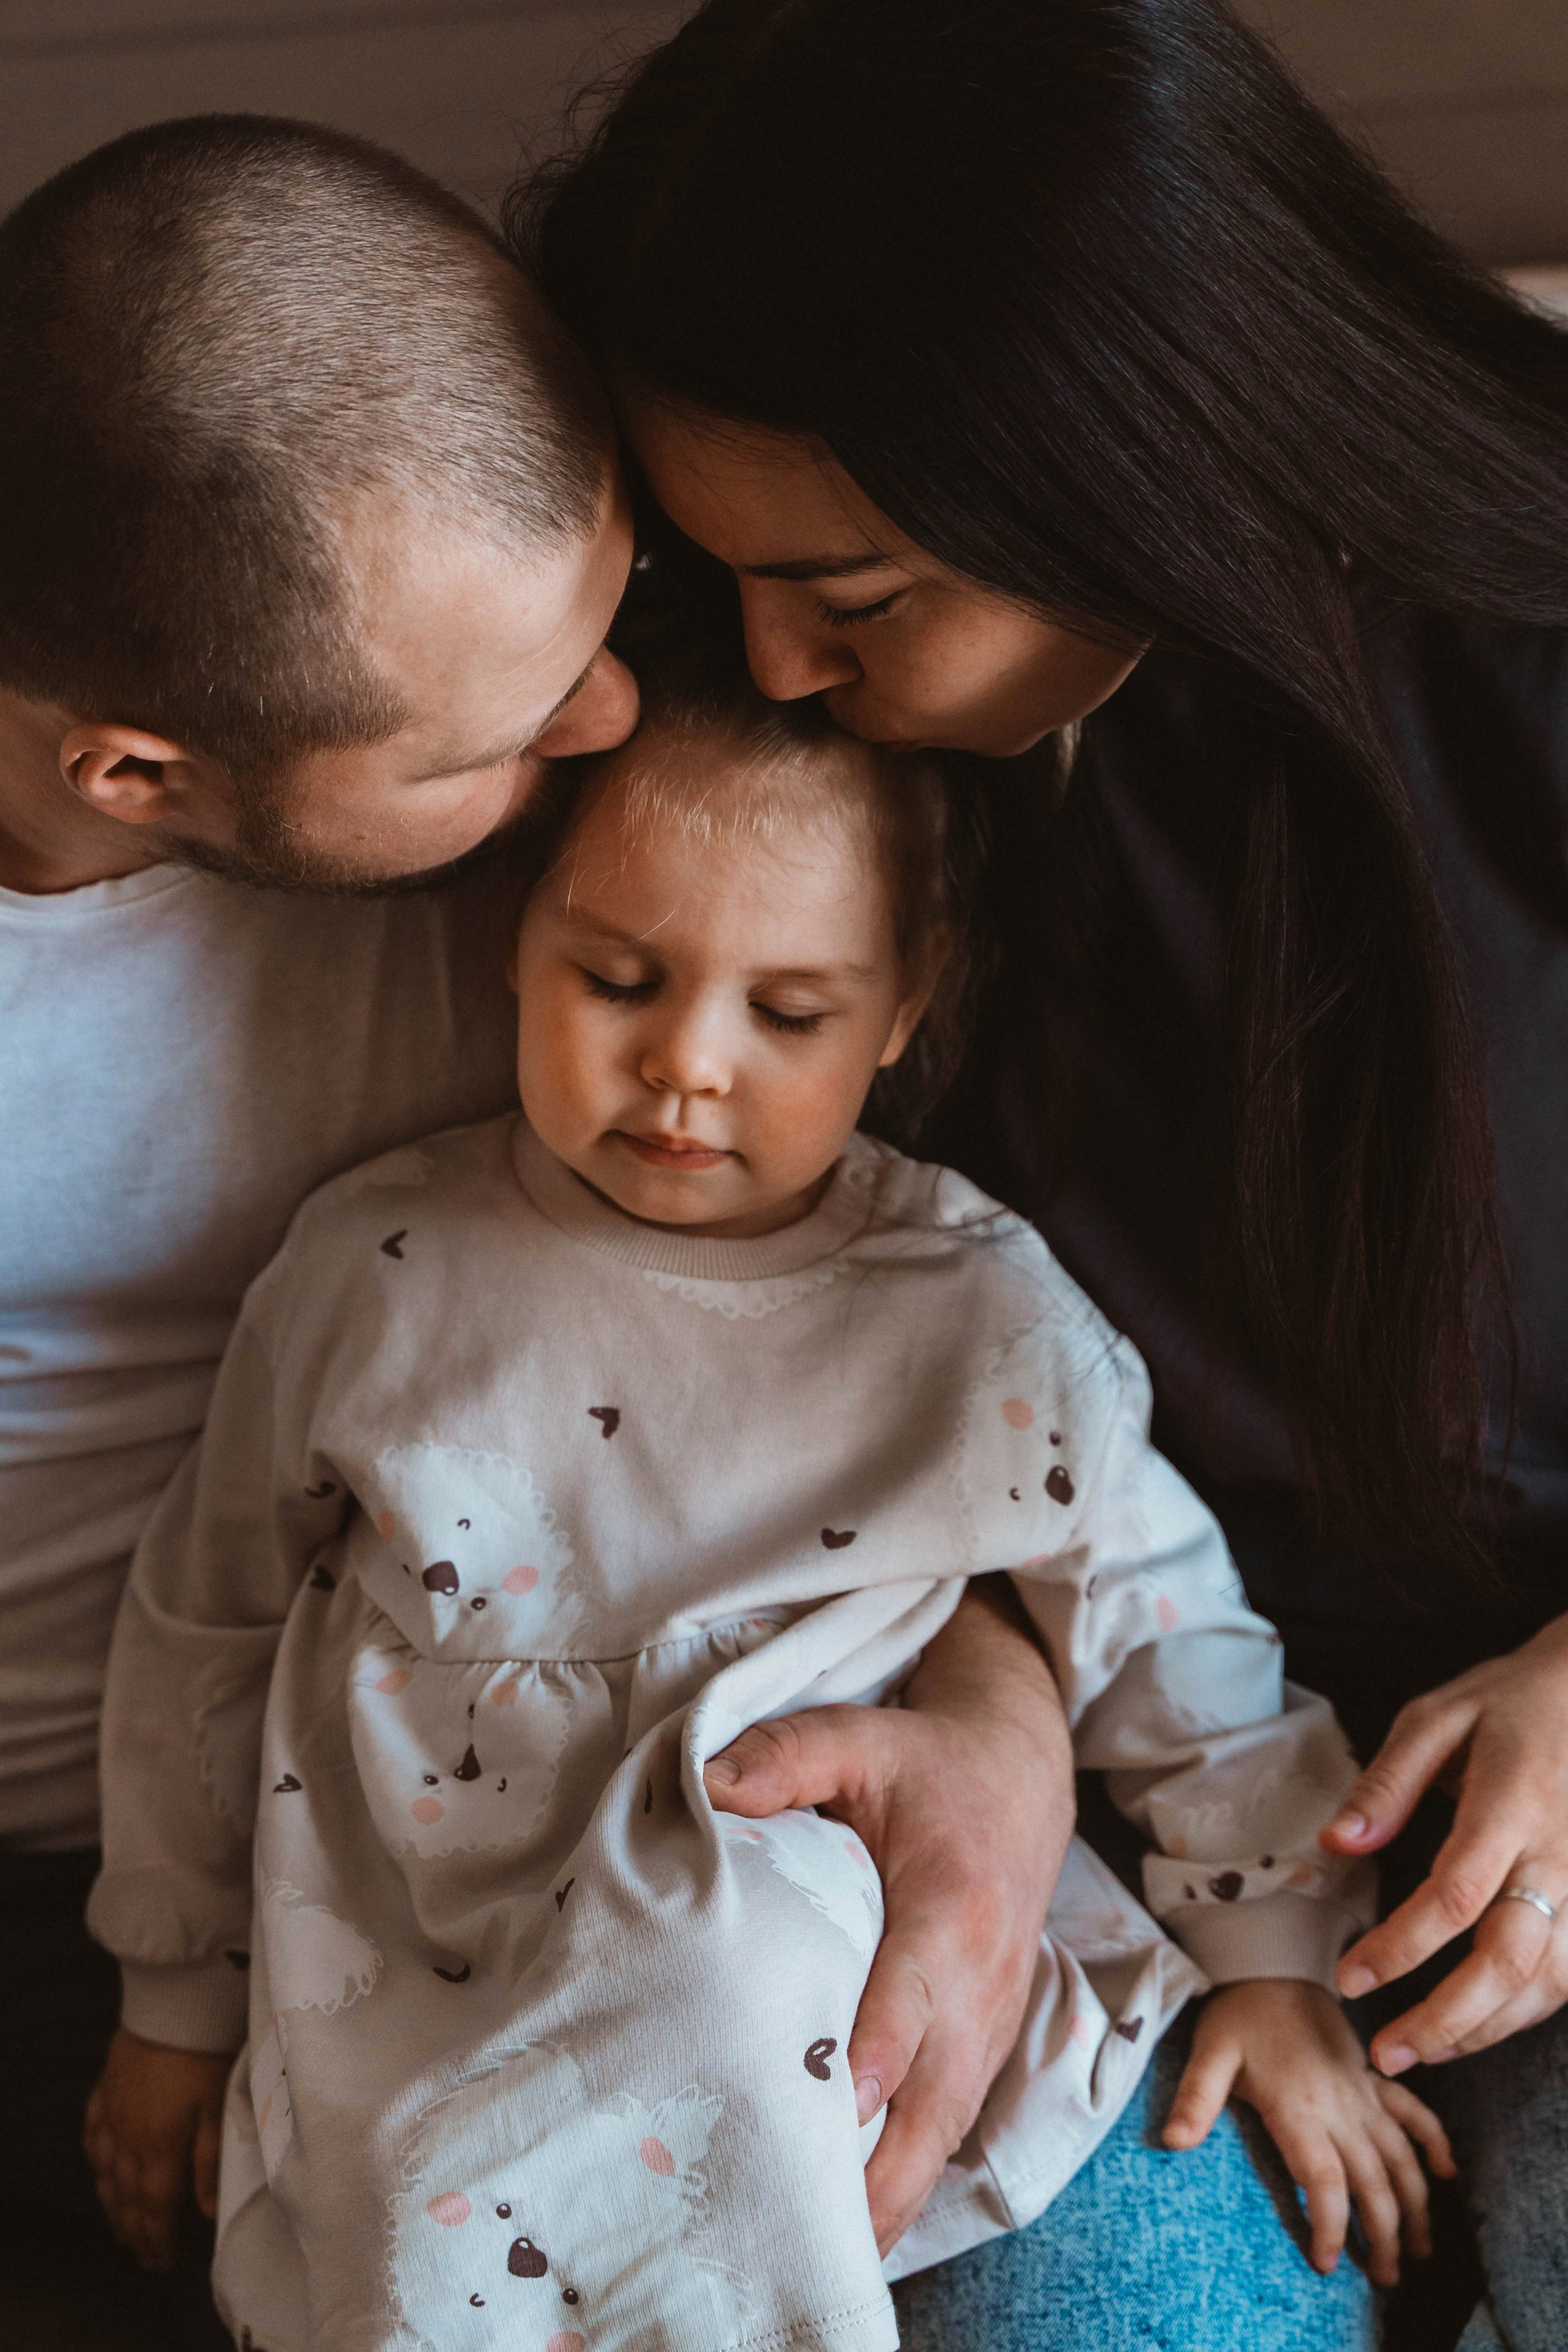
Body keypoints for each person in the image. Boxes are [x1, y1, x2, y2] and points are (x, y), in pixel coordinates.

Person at [516, 1, 1568, 2345]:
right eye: (736, 582)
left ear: (1133, 451)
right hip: (1141, 1773)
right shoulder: (804, 773)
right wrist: (992, 1697)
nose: (774, 672)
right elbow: (830, 1327)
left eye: (859, 596)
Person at [0, 113, 1072, 2348]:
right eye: (510, 732)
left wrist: (992, 1682)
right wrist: (171, 1979)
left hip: (611, 1795)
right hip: (137, 1882)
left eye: (611, 627)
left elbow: (913, 1330)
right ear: (134, 772)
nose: (625, 723)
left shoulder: (552, 762)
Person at [88, 648, 1447, 2351]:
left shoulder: (977, 1310)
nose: (686, 1069)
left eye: (787, 1013)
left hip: (789, 1943)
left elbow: (1166, 1620)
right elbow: (207, 1620)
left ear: (904, 1004)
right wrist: (172, 1993)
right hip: (429, 1942)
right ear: (517, 936)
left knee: (725, 1976)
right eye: (619, 979)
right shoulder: (376, 1264)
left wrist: (1280, 1959)